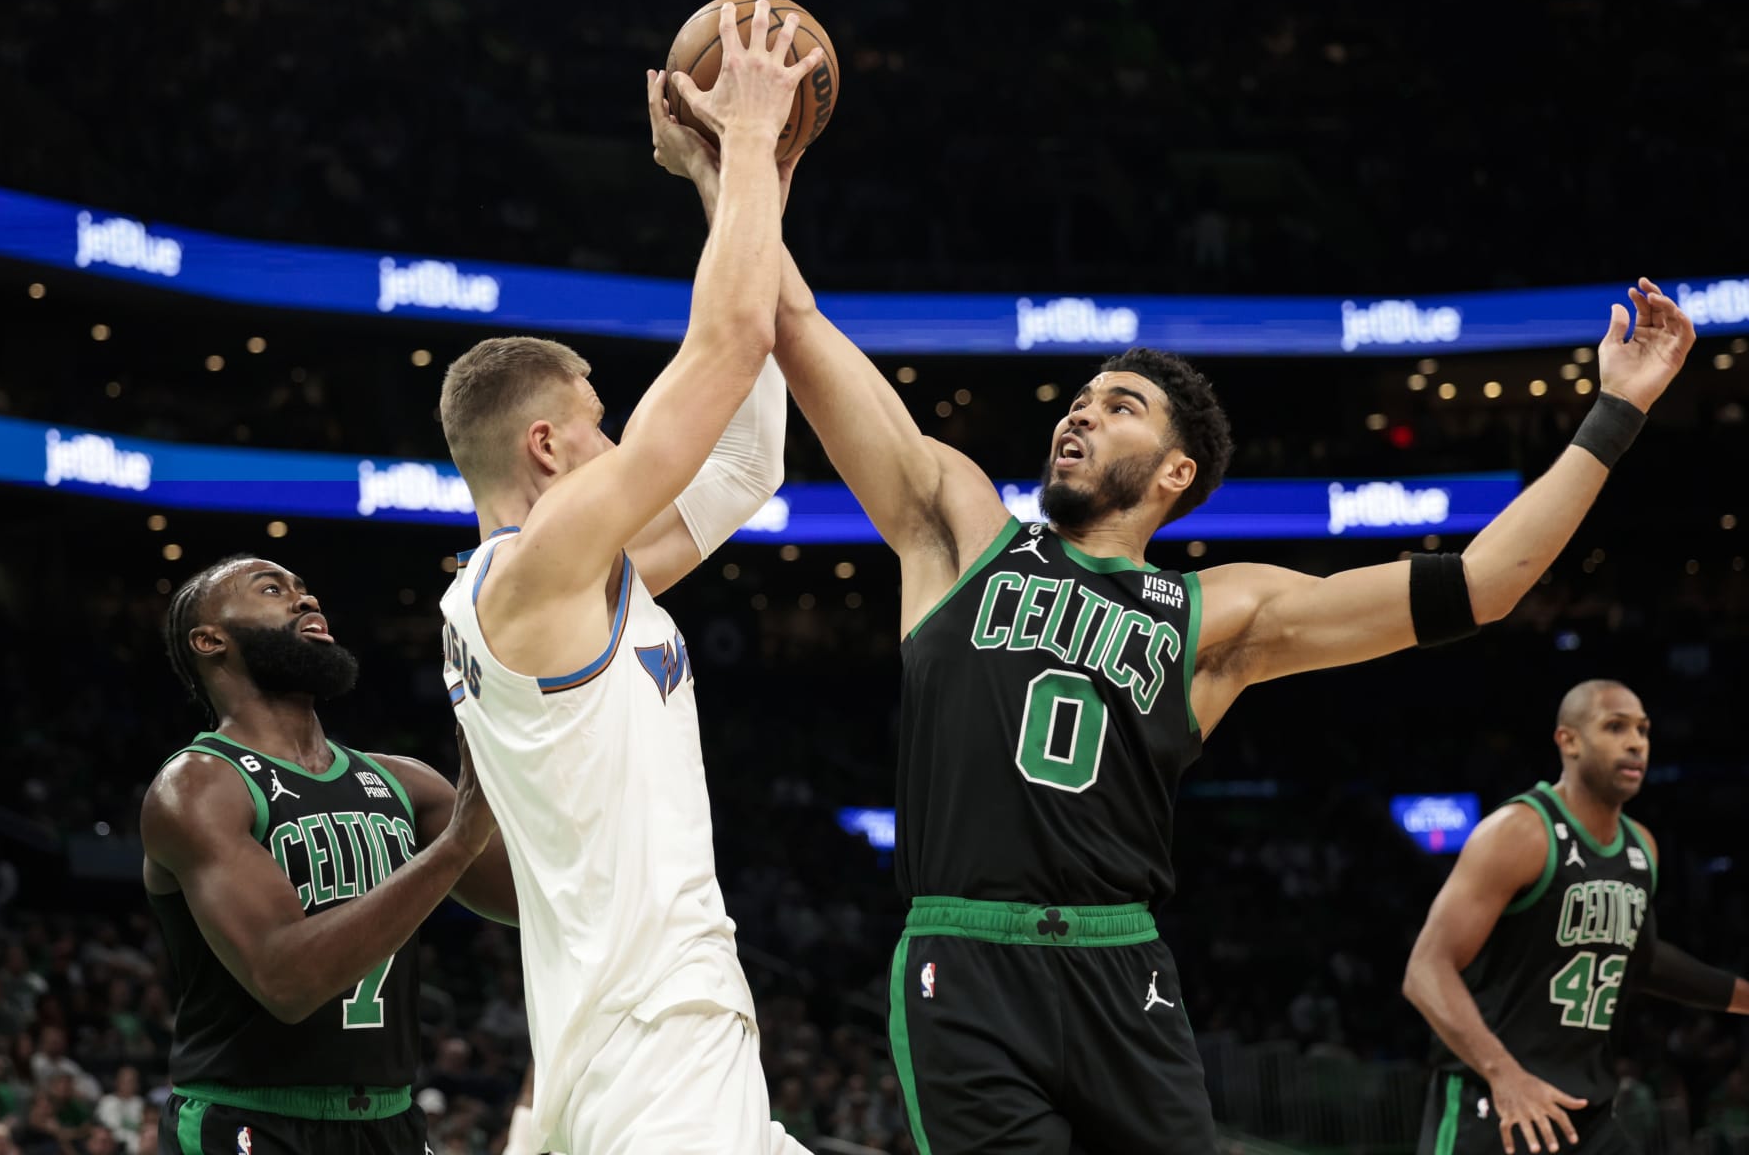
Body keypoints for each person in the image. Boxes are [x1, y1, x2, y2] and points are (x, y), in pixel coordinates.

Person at [649, 96, 1697, 1150]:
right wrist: (731, 168)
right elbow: (798, 326)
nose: (1080, 412)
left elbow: (1485, 582)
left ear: (1176, 472)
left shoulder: (1218, 613)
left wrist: (1617, 411)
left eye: (1119, 407)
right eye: (1081, 398)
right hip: (965, 964)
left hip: (1124, 972)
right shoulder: (962, 530)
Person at [435, 0, 821, 1155]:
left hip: (646, 1048)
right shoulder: (531, 572)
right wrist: (743, 142)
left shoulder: (574, 584)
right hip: (657, 1063)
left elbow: (750, 463)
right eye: (600, 427)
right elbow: (726, 343)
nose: (618, 445)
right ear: (547, 448)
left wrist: (728, 187)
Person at [145, 553, 514, 1153]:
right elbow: (287, 979)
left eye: (306, 590)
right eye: (272, 589)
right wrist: (457, 845)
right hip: (249, 1122)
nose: (306, 599)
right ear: (210, 641)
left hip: (391, 1120)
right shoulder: (199, 787)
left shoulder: (405, 782)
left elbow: (535, 902)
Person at [1404, 681, 1749, 1155]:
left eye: (1643, 730)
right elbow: (1425, 970)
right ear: (1568, 741)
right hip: (1496, 1105)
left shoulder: (1640, 847)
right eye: (1615, 727)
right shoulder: (1520, 831)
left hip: (1584, 1112)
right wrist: (1506, 1076)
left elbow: (1641, 961)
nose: (1636, 743)